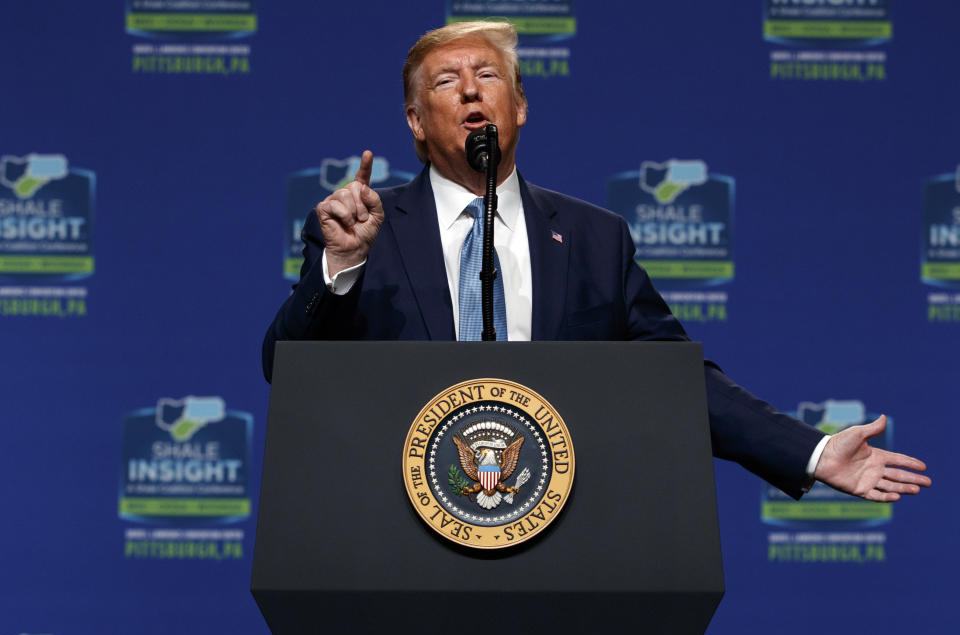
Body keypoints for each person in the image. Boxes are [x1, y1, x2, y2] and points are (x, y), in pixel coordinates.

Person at [263, 21, 930, 503]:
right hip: (396, 540)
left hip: (558, 542)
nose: (470, 91)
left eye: (488, 76)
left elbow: (676, 378)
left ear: (519, 106)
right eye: (446, 81)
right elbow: (283, 366)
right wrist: (341, 266)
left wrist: (808, 452)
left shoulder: (593, 238)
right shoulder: (363, 229)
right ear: (414, 118)